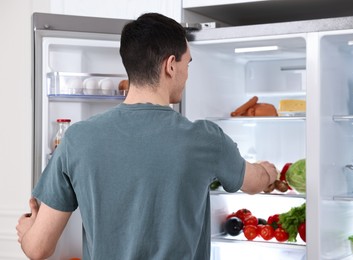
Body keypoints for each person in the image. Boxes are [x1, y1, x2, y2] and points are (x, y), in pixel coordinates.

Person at [16, 13, 278, 260]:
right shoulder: (205, 139)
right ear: (170, 66)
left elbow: (38, 249)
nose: (187, 74)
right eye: (187, 63)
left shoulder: (77, 139)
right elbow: (254, 183)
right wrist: (269, 172)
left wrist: (28, 228)